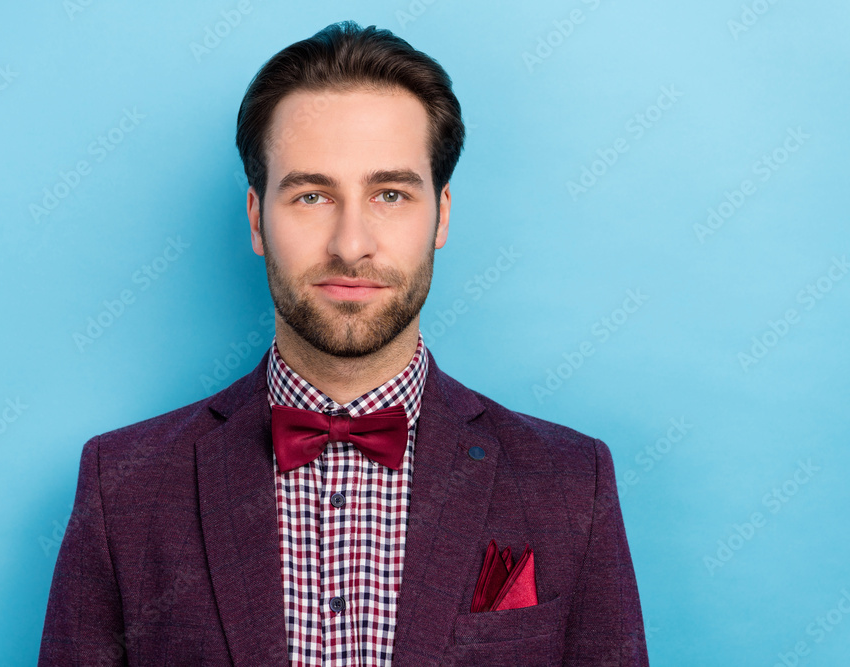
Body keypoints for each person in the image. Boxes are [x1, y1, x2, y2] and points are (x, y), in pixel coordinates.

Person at [38, 20, 648, 666]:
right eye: (310, 195)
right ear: (256, 219)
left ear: (439, 215)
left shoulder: (570, 483)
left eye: (390, 193)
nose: (350, 243)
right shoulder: (122, 488)